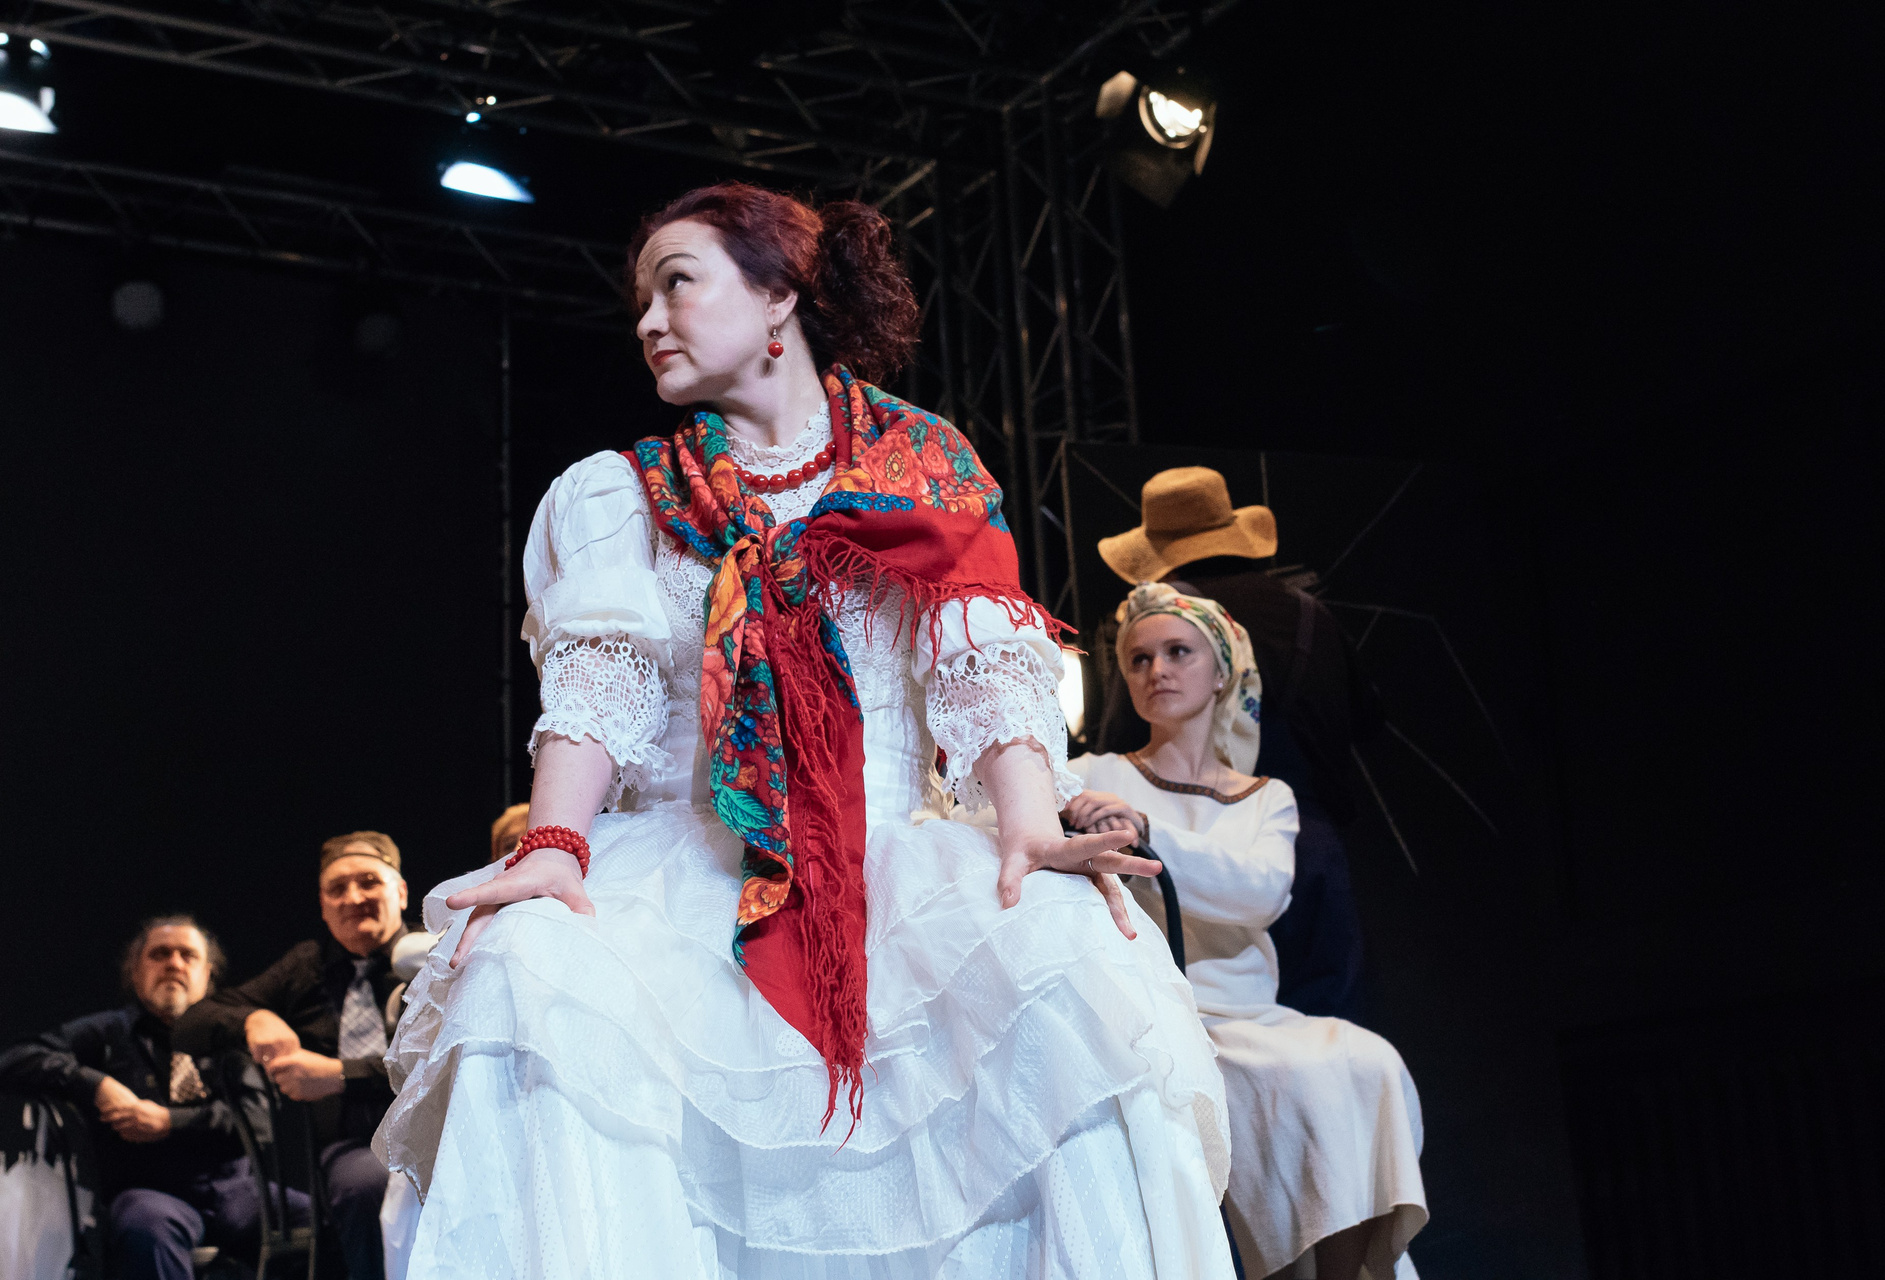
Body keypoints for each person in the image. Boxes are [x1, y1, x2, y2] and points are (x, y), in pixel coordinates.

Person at [374, 182, 1234, 1279]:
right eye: (641, 301)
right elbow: (601, 686)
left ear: (778, 293)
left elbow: (981, 662)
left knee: (1063, 960)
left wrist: (1028, 825)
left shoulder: (923, 468)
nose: (648, 321)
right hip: (689, 860)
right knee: (533, 966)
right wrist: (553, 844)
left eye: (676, 284)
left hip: (891, 854)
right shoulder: (623, 496)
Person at [1068, 583, 1427, 1280]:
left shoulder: (1268, 798)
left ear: (1222, 671)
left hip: (1254, 1014)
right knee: (1295, 1081)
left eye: (1178, 652)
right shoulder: (1095, 776)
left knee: (1368, 1062)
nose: (1157, 670)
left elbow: (1259, 892)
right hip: (1164, 1017)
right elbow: (996, 815)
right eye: (1139, 659)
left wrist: (1147, 829)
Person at [1097, 466, 1384, 1021]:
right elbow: (1368, 719)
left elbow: (1121, 735)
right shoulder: (1311, 614)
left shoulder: (1156, 625)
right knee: (1324, 1035)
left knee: (1213, 1030)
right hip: (1316, 846)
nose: (1160, 668)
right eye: (1147, 663)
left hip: (1207, 834)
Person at [0, 915, 305, 1280]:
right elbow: (17, 1057)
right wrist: (95, 1084)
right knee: (146, 1230)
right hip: (150, 1193)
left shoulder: (229, 1036)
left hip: (237, 1193)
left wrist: (168, 1122)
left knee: (322, 1222)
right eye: (159, 954)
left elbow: (258, 1120)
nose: (174, 964)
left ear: (207, 974)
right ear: (135, 972)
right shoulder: (109, 1031)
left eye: (187, 955)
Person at [176, 831, 416, 1280]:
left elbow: (441, 1057)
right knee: (368, 1185)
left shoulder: (433, 954)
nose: (353, 898)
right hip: (354, 1149)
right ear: (323, 906)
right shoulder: (308, 965)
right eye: (337, 889)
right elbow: (192, 1022)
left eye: (369, 882)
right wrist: (253, 1019)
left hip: (438, 1131)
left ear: (400, 892)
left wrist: (341, 1074)